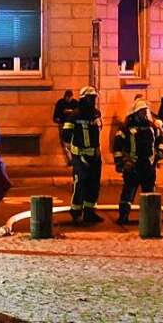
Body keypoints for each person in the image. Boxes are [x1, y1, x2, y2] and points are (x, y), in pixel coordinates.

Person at [113, 97, 163, 225]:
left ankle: (151, 219)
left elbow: (160, 140)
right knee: (128, 193)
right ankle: (123, 216)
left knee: (149, 194)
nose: (144, 114)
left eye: (145, 111)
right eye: (142, 112)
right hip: (132, 167)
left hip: (148, 166)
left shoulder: (152, 127)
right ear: (135, 113)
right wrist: (121, 163)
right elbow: (117, 146)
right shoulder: (125, 129)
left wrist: (160, 150)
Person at [61, 86, 104, 225]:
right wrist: (74, 153)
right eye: (90, 98)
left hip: (95, 156)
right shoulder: (74, 115)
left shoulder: (96, 114)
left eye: (94, 98)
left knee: (94, 184)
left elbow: (98, 131)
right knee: (80, 184)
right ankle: (76, 212)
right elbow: (66, 136)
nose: (93, 101)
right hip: (80, 156)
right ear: (83, 99)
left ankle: (90, 212)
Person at [52, 90, 78, 164]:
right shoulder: (60, 103)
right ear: (65, 97)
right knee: (65, 143)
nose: (69, 99)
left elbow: (79, 113)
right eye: (68, 97)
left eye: (70, 97)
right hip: (64, 124)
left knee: (74, 142)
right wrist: (60, 117)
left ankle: (73, 159)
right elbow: (56, 116)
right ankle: (70, 160)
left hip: (73, 125)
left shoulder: (75, 103)